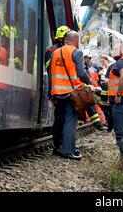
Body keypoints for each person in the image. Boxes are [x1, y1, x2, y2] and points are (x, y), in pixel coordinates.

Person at [48, 31, 92, 160]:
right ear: (76, 41)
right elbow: (81, 72)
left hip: (58, 92)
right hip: (71, 92)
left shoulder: (55, 53)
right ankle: (67, 151)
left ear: (65, 39)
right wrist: (89, 81)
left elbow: (51, 74)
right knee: (70, 121)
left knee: (61, 120)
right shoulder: (76, 52)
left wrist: (51, 93)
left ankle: (64, 147)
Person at [44, 25, 70, 153]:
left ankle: (62, 144)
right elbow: (51, 73)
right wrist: (51, 94)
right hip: (57, 91)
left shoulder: (62, 51)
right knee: (60, 118)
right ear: (62, 39)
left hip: (64, 90)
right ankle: (57, 145)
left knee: (64, 118)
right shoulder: (51, 52)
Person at [81, 50, 106, 130]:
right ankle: (97, 124)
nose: (89, 60)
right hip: (86, 91)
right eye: (88, 58)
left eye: (89, 58)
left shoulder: (90, 68)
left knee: (93, 107)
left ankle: (99, 124)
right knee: (88, 108)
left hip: (91, 91)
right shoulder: (82, 68)